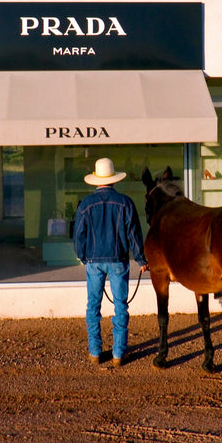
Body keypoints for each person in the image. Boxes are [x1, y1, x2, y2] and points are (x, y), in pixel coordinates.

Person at [72, 157, 148, 368]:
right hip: (118, 260)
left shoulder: (86, 204)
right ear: (114, 179)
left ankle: (95, 352)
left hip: (94, 261)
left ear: (96, 180)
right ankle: (118, 354)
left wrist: (82, 256)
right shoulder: (125, 203)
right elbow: (134, 234)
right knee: (121, 305)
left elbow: (79, 235)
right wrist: (141, 259)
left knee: (93, 306)